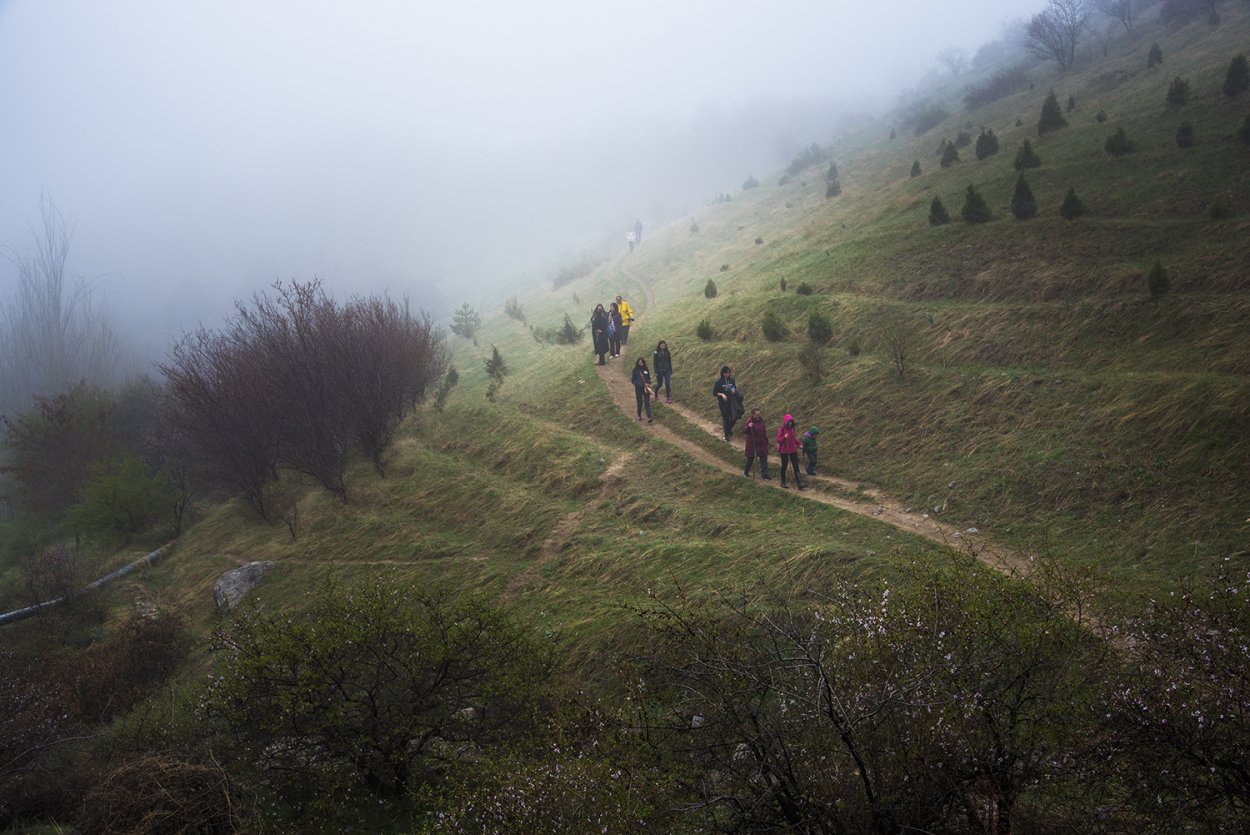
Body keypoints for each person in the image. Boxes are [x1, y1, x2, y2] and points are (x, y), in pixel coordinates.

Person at [711, 365, 743, 442]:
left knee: (734, 417)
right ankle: (726, 436)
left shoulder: (732, 380)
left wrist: (733, 390)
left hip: (732, 403)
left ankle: (728, 430)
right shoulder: (718, 382)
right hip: (723, 404)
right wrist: (722, 394)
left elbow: (734, 387)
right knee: (726, 419)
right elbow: (714, 393)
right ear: (723, 373)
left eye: (729, 373)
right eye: (726, 373)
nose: (728, 374)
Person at [776, 413, 805, 490]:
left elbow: (793, 439)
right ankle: (783, 482)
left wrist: (799, 444)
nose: (790, 423)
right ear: (785, 422)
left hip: (793, 450)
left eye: (791, 422)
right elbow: (778, 440)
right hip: (784, 451)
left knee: (796, 466)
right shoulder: (781, 429)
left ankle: (800, 483)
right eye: (789, 422)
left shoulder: (792, 429)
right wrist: (784, 437)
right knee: (784, 466)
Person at [743, 408, 771, 479]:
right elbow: (745, 430)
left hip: (761, 443)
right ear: (753, 414)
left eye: (759, 414)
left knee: (764, 458)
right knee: (750, 459)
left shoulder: (761, 421)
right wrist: (749, 426)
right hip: (753, 444)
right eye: (757, 414)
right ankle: (746, 472)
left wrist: (766, 441)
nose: (759, 415)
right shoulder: (749, 421)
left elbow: (764, 432)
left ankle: (764, 475)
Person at [630, 358, 653, 423]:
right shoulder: (635, 370)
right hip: (638, 389)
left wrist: (648, 383)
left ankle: (649, 416)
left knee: (647, 402)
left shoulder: (646, 369)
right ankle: (639, 414)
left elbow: (648, 378)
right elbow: (633, 380)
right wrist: (637, 384)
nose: (641, 363)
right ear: (637, 363)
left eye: (642, 362)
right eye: (639, 362)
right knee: (639, 402)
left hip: (646, 388)